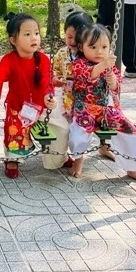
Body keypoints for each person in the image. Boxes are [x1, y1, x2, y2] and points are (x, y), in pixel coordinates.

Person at [68, 23, 136, 186]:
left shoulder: (110, 67)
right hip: (85, 109)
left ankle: (132, 169)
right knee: (77, 134)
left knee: (129, 132)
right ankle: (78, 159)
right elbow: (87, 75)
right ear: (81, 47)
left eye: (104, 47)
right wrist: (103, 65)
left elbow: (116, 88)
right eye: (92, 46)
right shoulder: (79, 64)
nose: (99, 51)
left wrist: (113, 82)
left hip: (107, 110)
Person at [0, 13, 57, 179]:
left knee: (61, 127)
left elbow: (46, 81)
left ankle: (60, 155)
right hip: (18, 106)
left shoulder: (43, 59)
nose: (34, 38)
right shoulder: (9, 60)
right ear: (13, 40)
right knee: (14, 131)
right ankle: (12, 159)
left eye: (36, 33)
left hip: (41, 105)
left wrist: (48, 97)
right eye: (27, 34)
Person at [44, 11, 94, 170]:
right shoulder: (61, 53)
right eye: (69, 36)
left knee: (80, 132)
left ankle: (79, 158)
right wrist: (55, 80)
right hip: (66, 100)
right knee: (65, 130)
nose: (72, 41)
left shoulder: (90, 54)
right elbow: (54, 72)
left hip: (85, 102)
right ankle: (65, 156)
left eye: (77, 37)